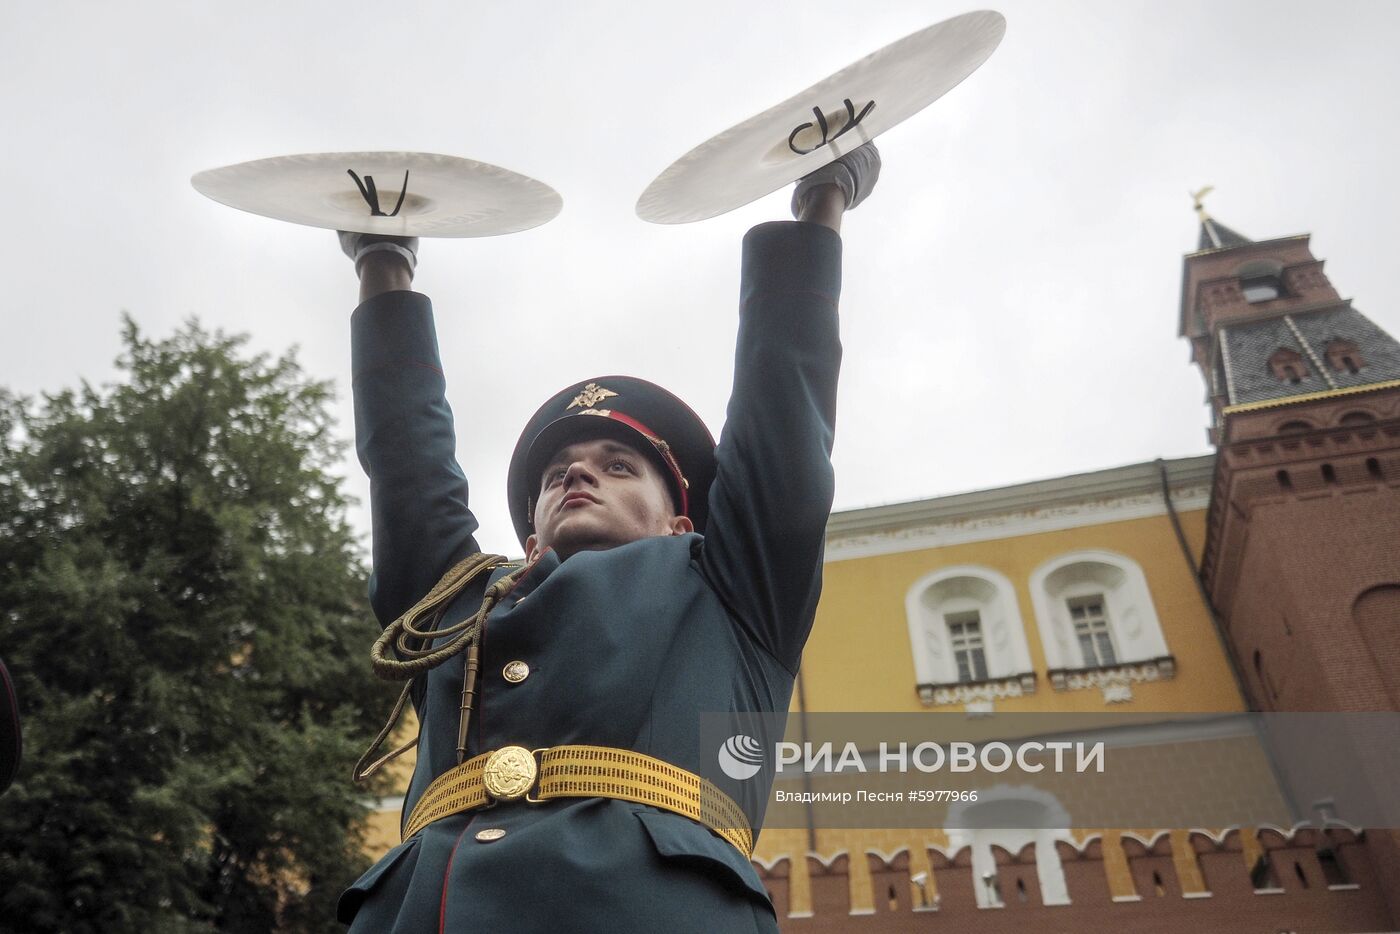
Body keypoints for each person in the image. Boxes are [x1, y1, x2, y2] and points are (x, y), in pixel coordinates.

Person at [337, 144, 880, 933]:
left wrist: (821, 198)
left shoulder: (732, 589)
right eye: (556, 472)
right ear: (528, 539)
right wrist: (383, 262)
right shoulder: (459, 611)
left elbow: (783, 408)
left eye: (618, 465)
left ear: (681, 522)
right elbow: (408, 469)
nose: (575, 475)